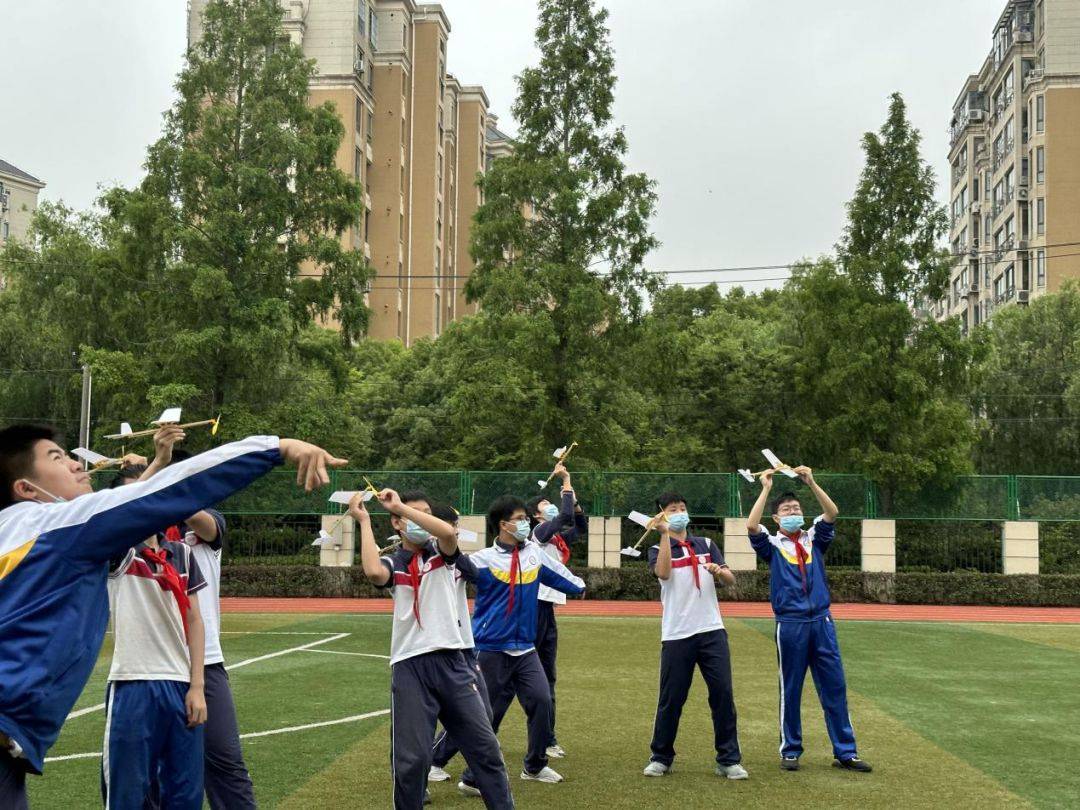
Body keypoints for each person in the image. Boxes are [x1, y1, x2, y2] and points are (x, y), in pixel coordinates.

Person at [0, 423, 344, 808]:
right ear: (27, 489)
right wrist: (276, 446)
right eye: (57, 458)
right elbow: (160, 494)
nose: (79, 466)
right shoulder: (58, 527)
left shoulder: (24, 537)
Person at [351, 489, 513, 810]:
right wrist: (365, 521)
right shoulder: (395, 562)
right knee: (412, 761)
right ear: (397, 524)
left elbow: (448, 532)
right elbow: (373, 572)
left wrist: (401, 507)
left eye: (427, 513)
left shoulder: (445, 552)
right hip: (411, 666)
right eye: (413, 514)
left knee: (485, 752)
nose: (424, 519)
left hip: (455, 663)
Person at [139, 434, 258, 809]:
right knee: (153, 773)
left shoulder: (205, 526)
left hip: (204, 661)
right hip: (154, 665)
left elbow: (205, 523)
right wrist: (157, 468)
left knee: (225, 761)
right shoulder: (143, 536)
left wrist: (177, 480)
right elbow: (119, 509)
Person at [746, 466, 871, 773]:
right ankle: (790, 750)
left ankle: (846, 752)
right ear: (776, 519)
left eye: (796, 508)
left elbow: (832, 512)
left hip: (822, 622)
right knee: (791, 688)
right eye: (787, 510)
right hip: (790, 623)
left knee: (835, 687)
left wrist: (811, 482)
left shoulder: (814, 537)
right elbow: (751, 525)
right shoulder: (772, 545)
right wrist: (765, 488)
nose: (793, 512)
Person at [102, 462, 209, 809]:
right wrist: (159, 462)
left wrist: (197, 686)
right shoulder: (118, 550)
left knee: (185, 795)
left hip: (180, 686)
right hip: (134, 683)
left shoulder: (181, 553)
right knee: (127, 796)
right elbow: (123, 514)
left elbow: (194, 621)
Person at [463, 494, 585, 787]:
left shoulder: (533, 553)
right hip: (491, 649)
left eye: (525, 518)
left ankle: (534, 766)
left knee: (542, 702)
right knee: (486, 716)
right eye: (519, 519)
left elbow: (560, 576)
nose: (525, 523)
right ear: (503, 525)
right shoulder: (481, 560)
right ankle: (472, 777)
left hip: (526, 648)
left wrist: (579, 586)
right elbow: (448, 577)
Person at [643, 492, 747, 780]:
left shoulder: (707, 544)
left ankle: (728, 759)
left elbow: (730, 579)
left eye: (682, 508)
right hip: (677, 633)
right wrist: (664, 536)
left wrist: (718, 571)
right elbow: (663, 574)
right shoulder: (656, 548)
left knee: (723, 695)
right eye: (673, 510)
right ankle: (661, 756)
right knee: (672, 698)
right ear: (662, 515)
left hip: (712, 630)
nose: (680, 513)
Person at [428, 505, 495, 792]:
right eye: (450, 524)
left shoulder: (456, 559)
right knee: (423, 722)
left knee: (483, 714)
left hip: (463, 647)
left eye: (455, 525)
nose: (454, 530)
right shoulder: (416, 558)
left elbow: (480, 577)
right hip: (428, 650)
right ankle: (422, 777)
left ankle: (468, 775)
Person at [524, 466, 587, 759]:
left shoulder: (557, 539)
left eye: (551, 503)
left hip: (546, 610)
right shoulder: (538, 533)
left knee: (548, 677)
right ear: (537, 516)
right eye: (544, 506)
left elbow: (579, 526)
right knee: (522, 678)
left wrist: (574, 502)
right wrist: (566, 481)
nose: (550, 508)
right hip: (533, 608)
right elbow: (562, 517)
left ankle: (547, 738)